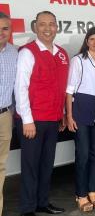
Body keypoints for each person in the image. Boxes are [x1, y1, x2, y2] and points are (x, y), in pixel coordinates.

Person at [14, 11, 68, 216]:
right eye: (43, 24)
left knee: (47, 165)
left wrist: (62, 113)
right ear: (35, 27)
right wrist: (27, 120)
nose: (47, 28)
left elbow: (61, 87)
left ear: (57, 27)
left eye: (52, 24)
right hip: (32, 120)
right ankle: (28, 208)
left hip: (53, 119)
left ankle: (42, 203)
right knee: (30, 166)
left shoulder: (62, 53)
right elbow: (21, 88)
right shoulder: (27, 52)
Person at [65, 27, 95, 212]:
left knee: (94, 155)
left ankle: (92, 191)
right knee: (82, 155)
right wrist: (69, 115)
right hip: (81, 112)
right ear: (86, 41)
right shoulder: (78, 60)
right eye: (92, 39)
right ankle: (81, 194)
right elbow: (69, 91)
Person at [0, 12, 18, 215]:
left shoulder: (15, 53)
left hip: (4, 117)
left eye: (5, 28)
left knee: (0, 167)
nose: (1, 32)